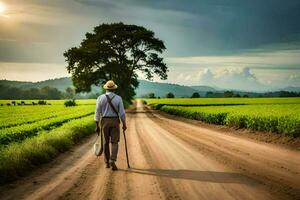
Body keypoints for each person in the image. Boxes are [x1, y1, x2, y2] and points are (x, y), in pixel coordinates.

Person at [94, 80, 127, 171]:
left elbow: (97, 112)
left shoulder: (100, 98)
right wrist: (124, 124)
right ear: (114, 89)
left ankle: (107, 163)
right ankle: (113, 159)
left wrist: (97, 125)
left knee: (105, 143)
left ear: (106, 89)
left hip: (104, 121)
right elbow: (122, 113)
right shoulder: (118, 98)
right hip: (115, 121)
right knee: (115, 142)